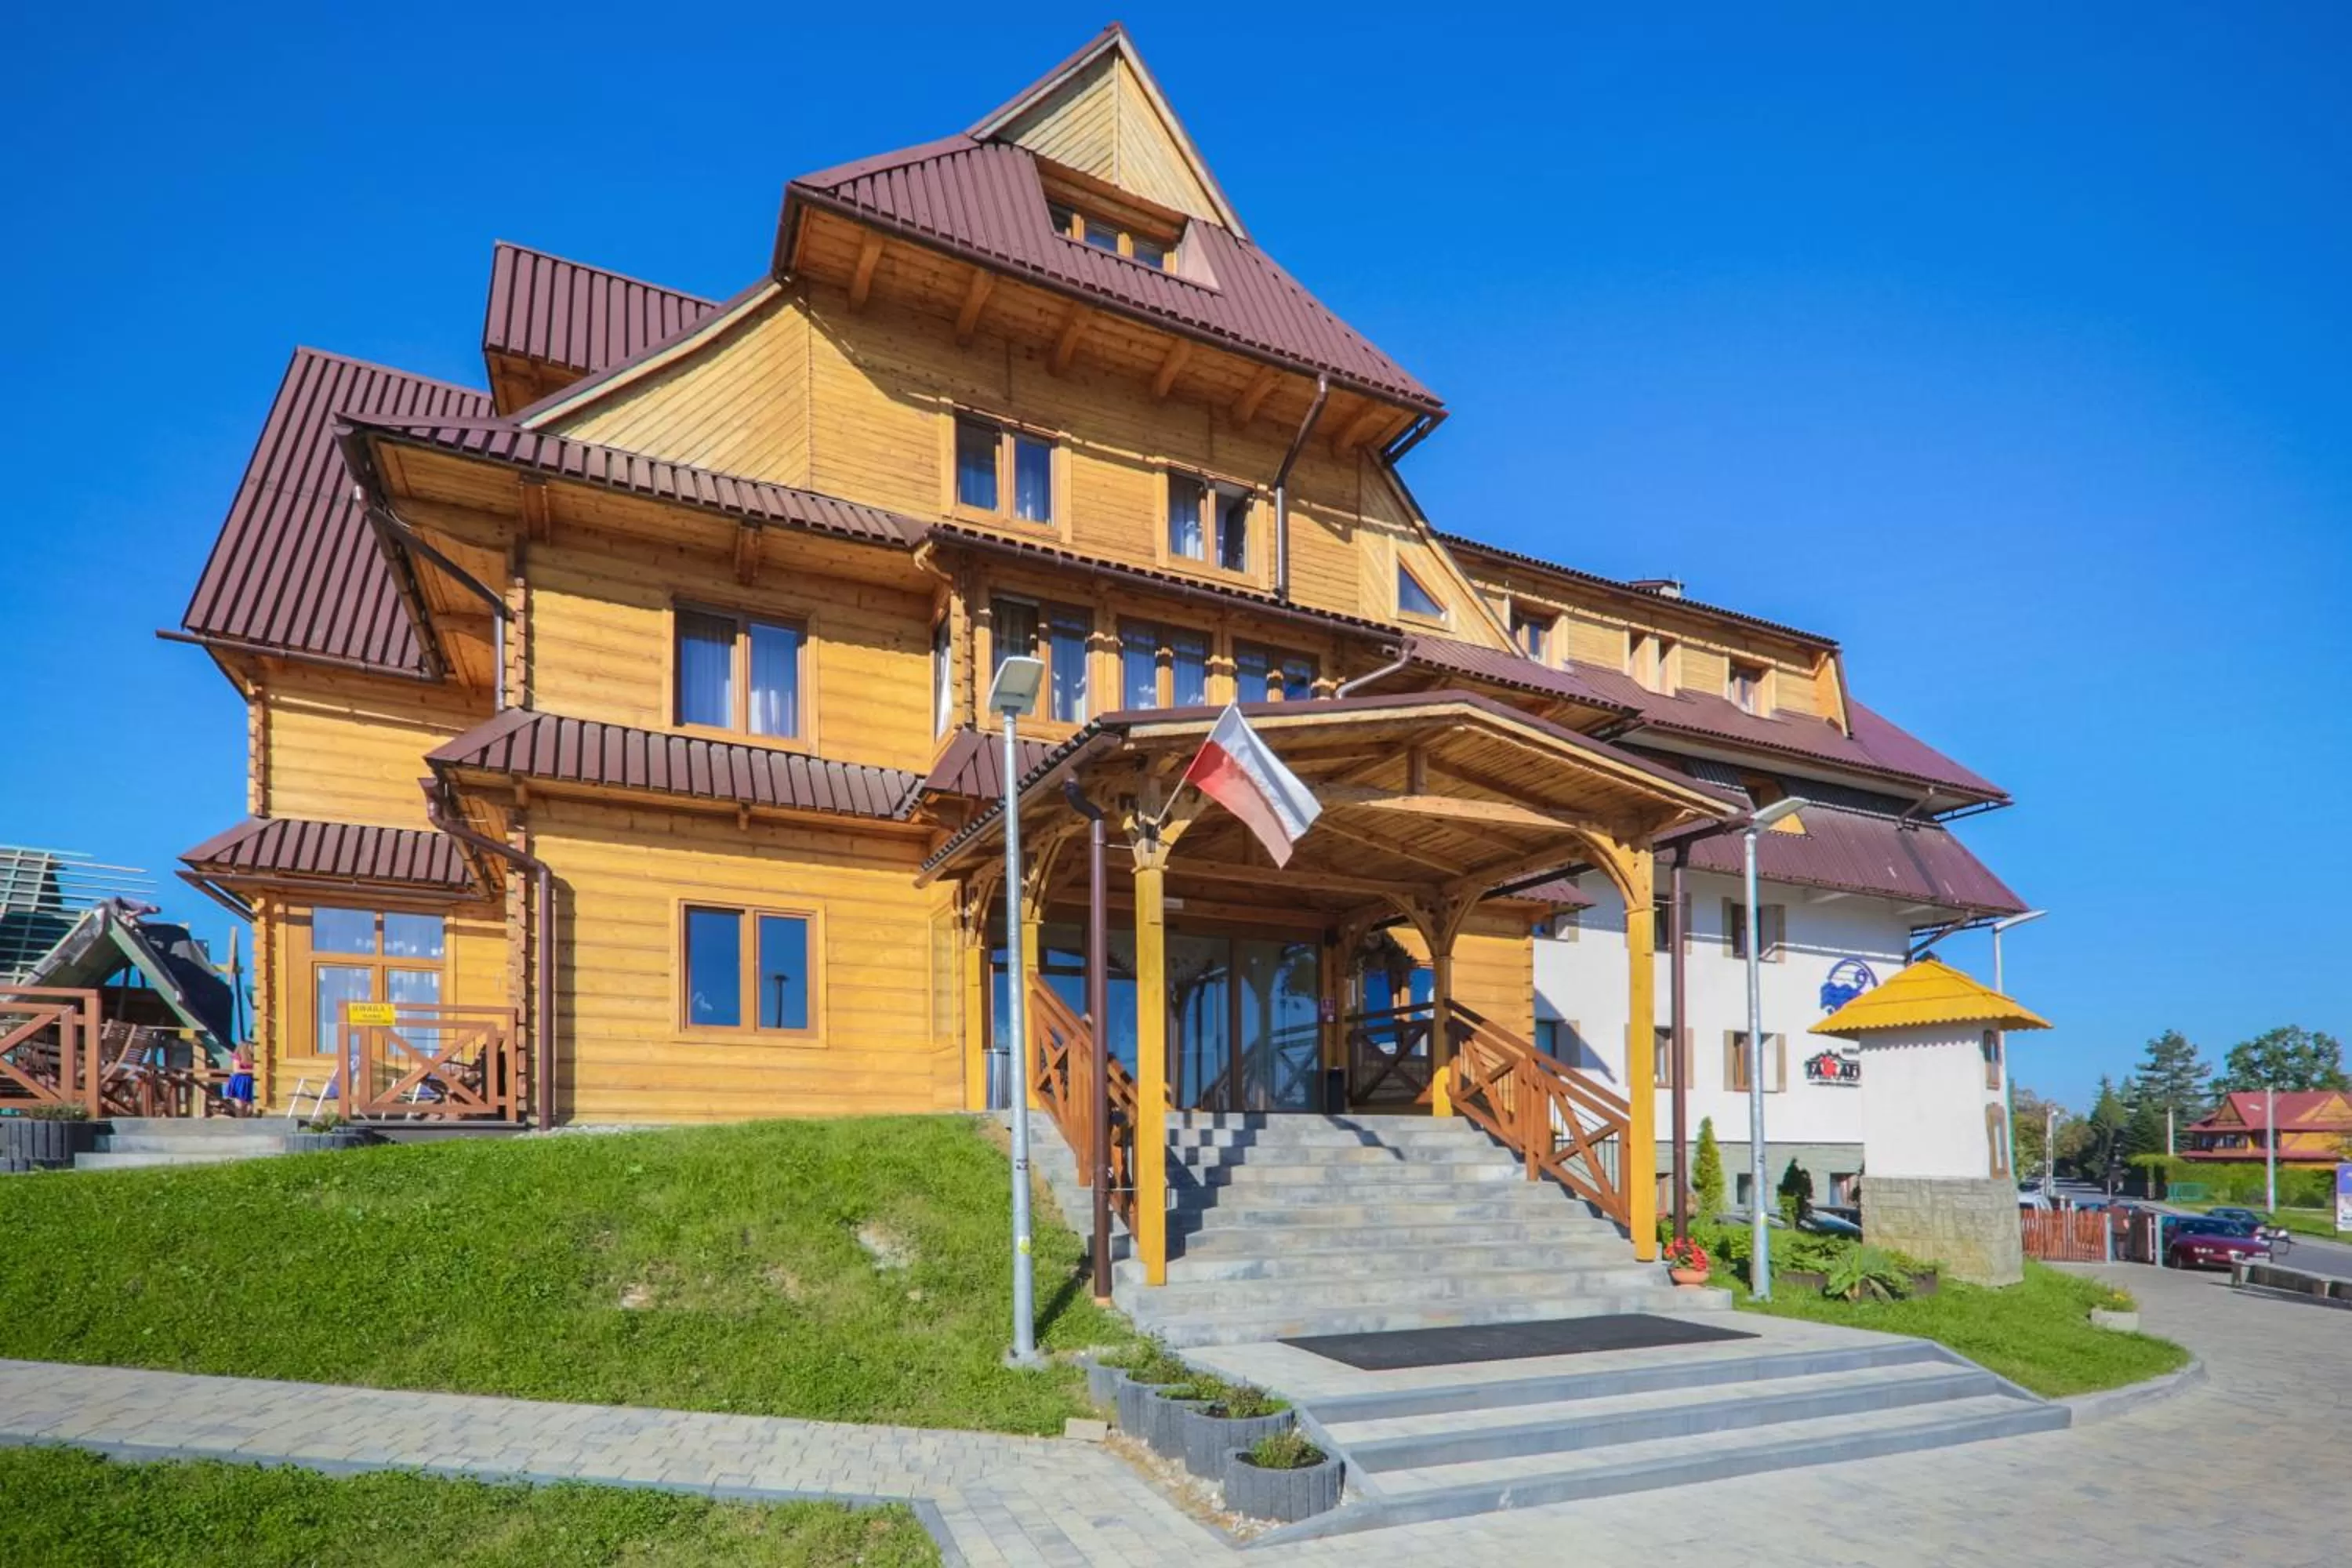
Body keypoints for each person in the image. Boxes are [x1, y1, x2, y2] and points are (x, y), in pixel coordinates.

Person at [224, 1044, 255, 1117]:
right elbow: (236, 1070)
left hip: (250, 1081)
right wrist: (253, 1071)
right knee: (240, 1106)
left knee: (251, 1106)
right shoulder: (238, 1056)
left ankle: (245, 1120)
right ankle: (240, 1122)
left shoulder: (253, 1056)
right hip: (240, 1081)